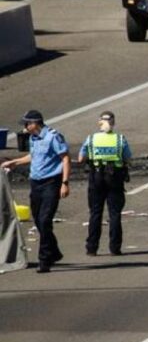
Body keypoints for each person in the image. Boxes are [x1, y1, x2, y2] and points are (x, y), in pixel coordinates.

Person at [1, 110, 71, 273]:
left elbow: (65, 158)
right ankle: (54, 251)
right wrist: (15, 162)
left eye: (27, 124)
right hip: (36, 183)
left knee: (45, 219)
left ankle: (44, 260)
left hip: (51, 183)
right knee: (39, 220)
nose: (25, 127)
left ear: (35, 123)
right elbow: (34, 156)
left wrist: (65, 183)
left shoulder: (53, 137)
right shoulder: (33, 138)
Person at [78, 111, 132, 256]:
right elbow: (127, 158)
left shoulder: (91, 139)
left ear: (99, 122)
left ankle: (91, 248)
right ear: (113, 123)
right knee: (115, 214)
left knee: (95, 213)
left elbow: (81, 158)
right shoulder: (120, 139)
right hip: (115, 178)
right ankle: (115, 248)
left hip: (96, 177)